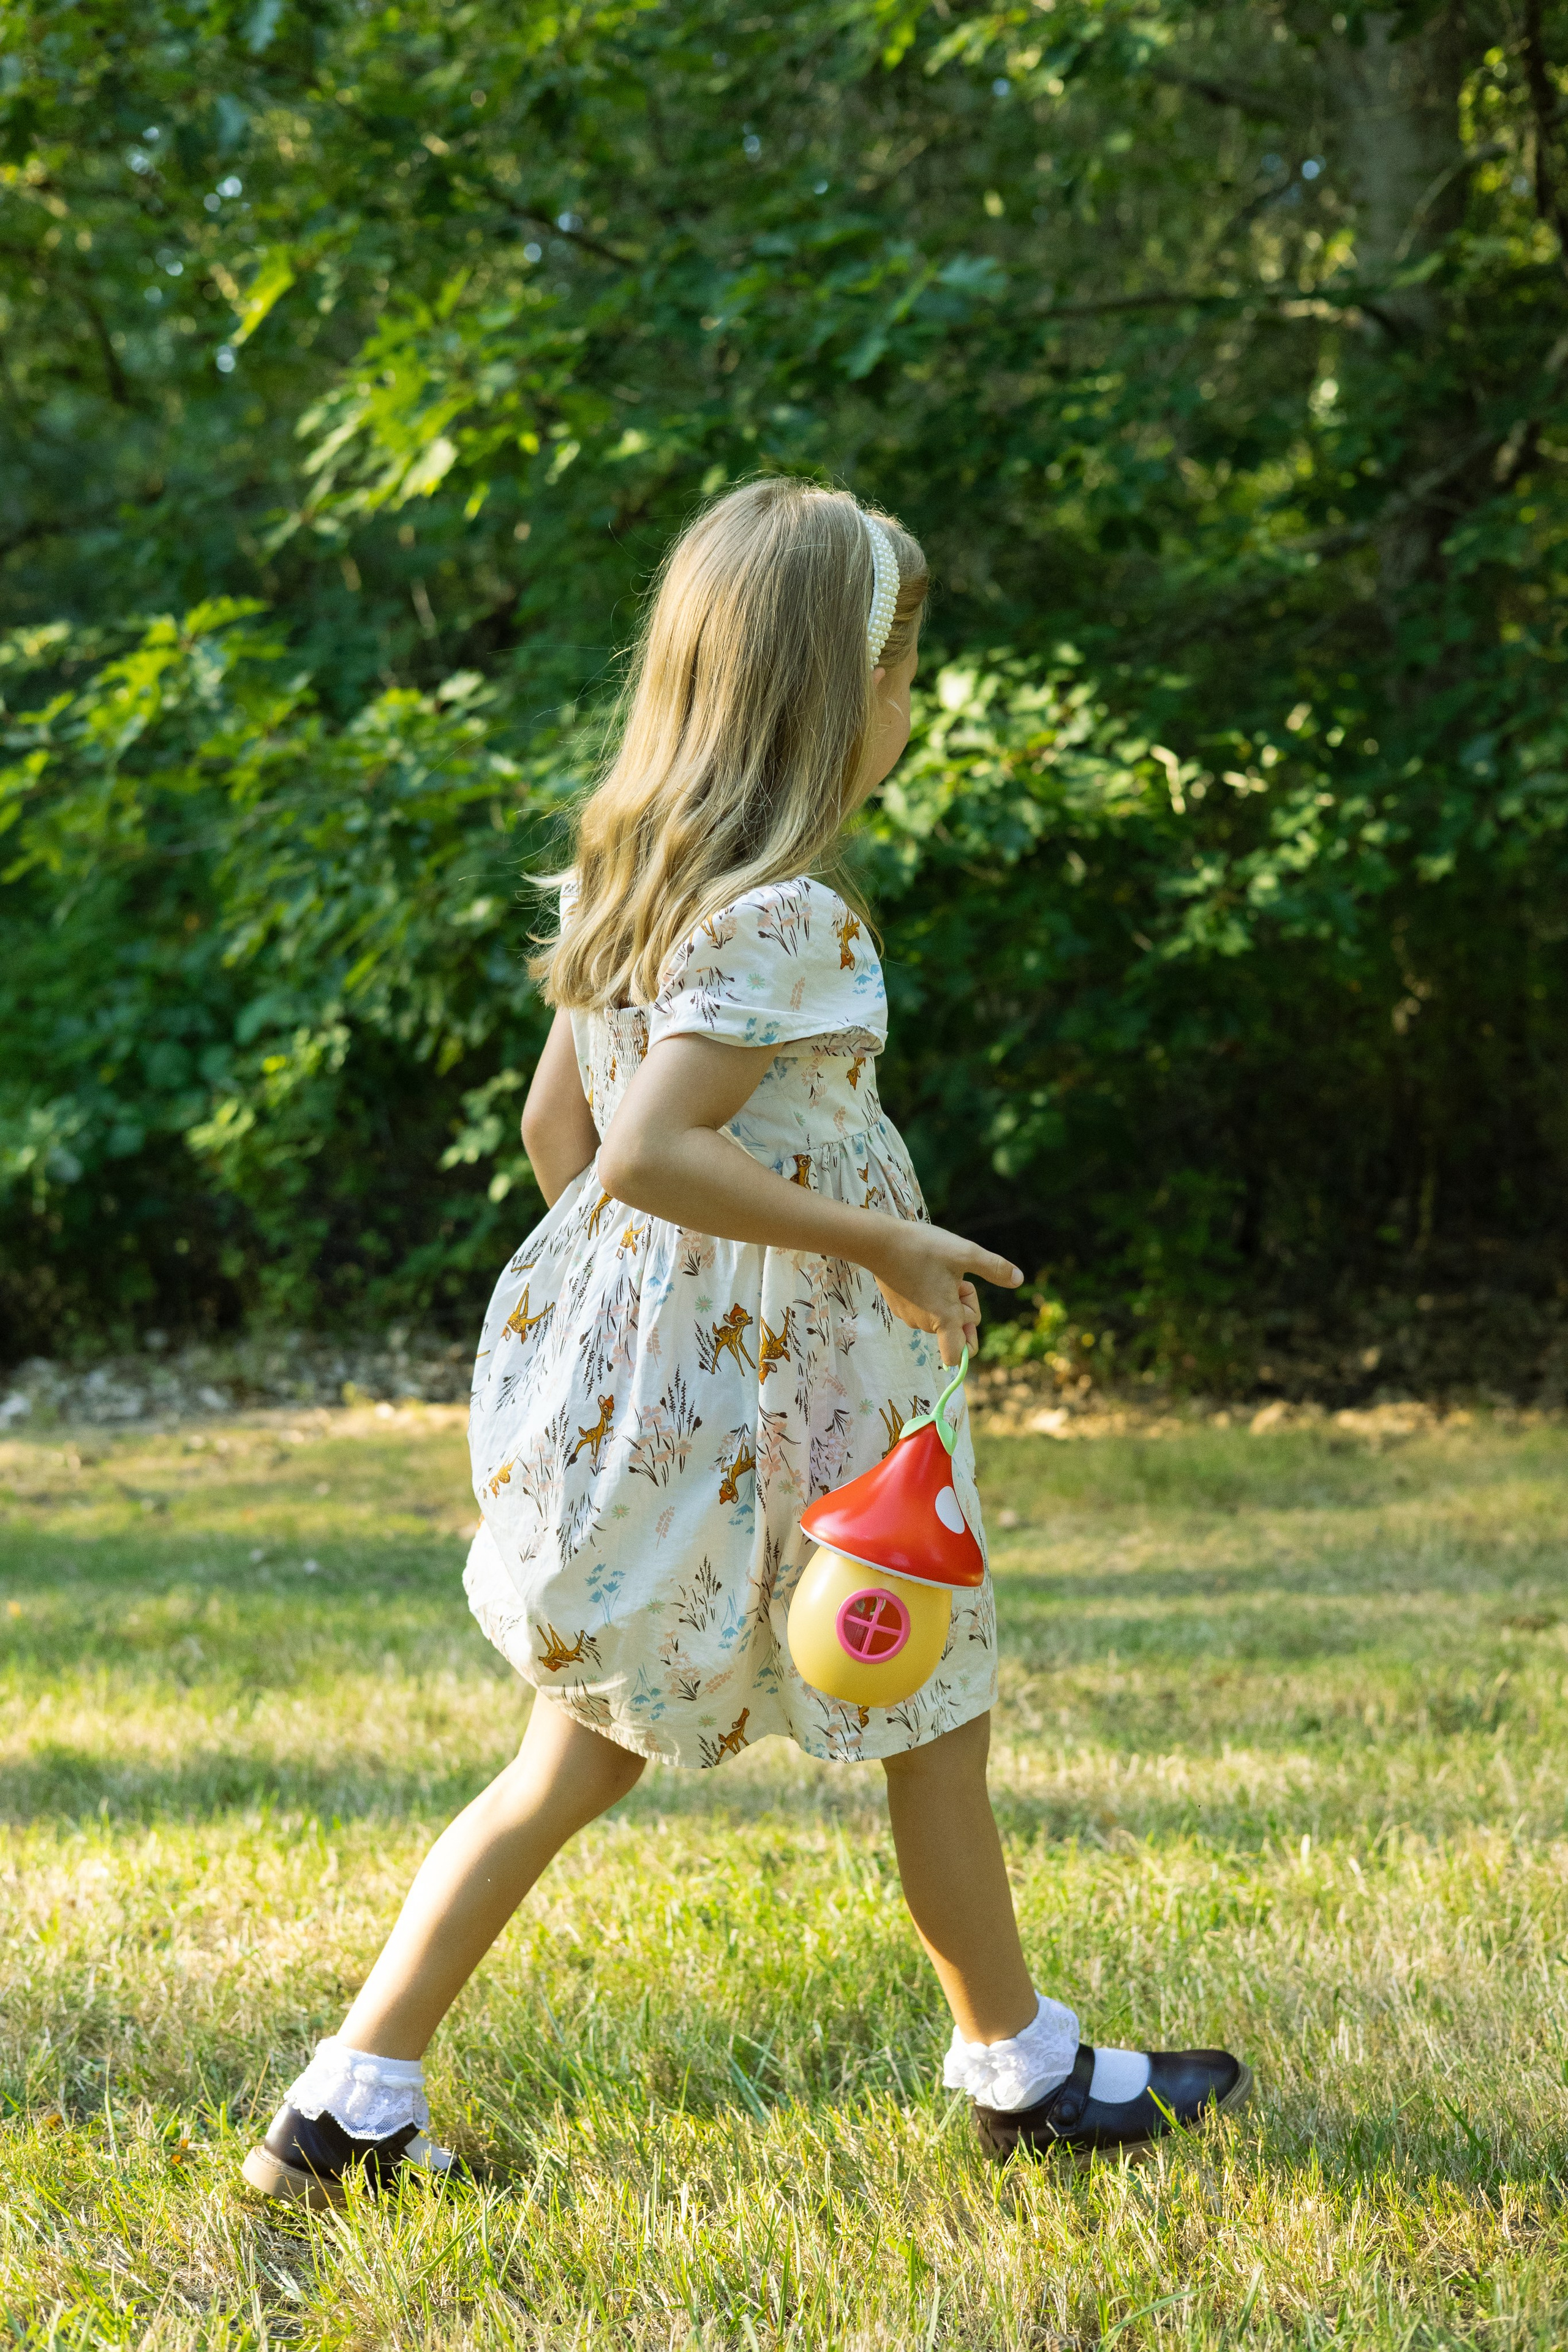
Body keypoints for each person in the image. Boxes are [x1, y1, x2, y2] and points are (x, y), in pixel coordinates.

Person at [243, 480, 1250, 2208]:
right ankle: (1023, 2074)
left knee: (573, 1755)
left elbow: (568, 1141)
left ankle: (350, 2101)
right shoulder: (792, 917)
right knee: (932, 1708)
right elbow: (645, 1150)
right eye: (901, 670)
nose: (911, 706)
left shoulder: (629, 880)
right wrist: (874, 1242)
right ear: (816, 692)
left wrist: (654, 1333)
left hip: (683, 1403)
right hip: (815, 1410)